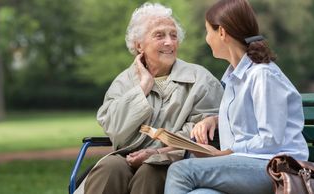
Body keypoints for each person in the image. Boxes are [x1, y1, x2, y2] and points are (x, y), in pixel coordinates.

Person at [76, 2, 223, 194]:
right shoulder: (124, 82)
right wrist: (143, 87)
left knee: (150, 171)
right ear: (139, 46)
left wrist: (157, 151)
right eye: (159, 35)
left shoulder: (200, 79)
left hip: (175, 158)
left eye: (173, 35)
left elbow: (205, 132)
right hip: (126, 156)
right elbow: (114, 129)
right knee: (109, 168)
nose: (169, 42)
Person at [165, 0, 309, 193]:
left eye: (208, 31)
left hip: (275, 167)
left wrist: (227, 153)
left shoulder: (262, 75)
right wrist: (215, 120)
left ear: (222, 33)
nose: (207, 39)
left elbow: (270, 138)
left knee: (180, 171)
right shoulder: (234, 78)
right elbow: (253, 115)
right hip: (247, 165)